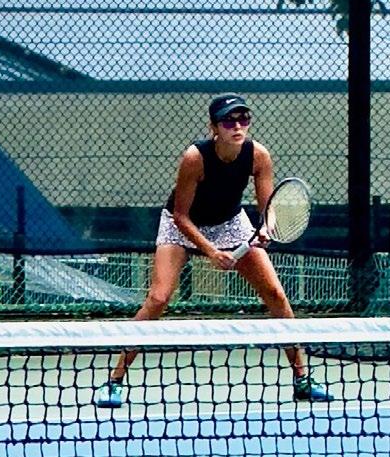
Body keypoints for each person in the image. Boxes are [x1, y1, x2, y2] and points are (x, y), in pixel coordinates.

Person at [96, 93, 333, 407]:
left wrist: (266, 228)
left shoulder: (258, 155)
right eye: (228, 121)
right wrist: (211, 252)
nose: (237, 126)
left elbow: (269, 209)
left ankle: (302, 379)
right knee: (158, 298)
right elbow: (181, 216)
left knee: (275, 294)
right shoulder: (194, 158)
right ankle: (114, 381)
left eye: (243, 119)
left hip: (230, 222)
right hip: (182, 224)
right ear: (214, 127)